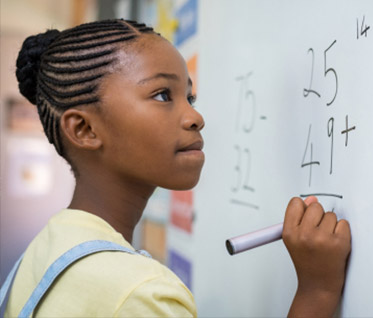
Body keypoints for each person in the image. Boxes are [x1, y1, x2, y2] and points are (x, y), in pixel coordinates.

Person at [1, 19, 351, 317]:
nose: (195, 117)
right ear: (84, 130)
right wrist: (317, 292)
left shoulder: (47, 248)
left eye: (190, 97)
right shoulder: (139, 294)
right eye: (162, 95)